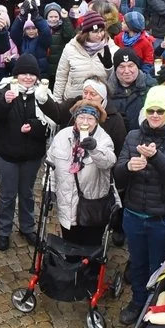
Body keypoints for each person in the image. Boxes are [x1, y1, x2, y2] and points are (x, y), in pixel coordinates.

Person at [115, 85, 165, 327]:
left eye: (159, 111)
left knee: (159, 266)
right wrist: (128, 167)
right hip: (134, 213)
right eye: (150, 110)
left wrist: (155, 157)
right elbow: (118, 173)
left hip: (162, 218)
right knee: (137, 262)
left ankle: (153, 306)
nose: (155, 115)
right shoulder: (133, 136)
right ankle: (137, 302)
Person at [0, 56, 60, 251]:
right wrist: (5, 102)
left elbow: (52, 122)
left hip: (32, 155)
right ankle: (3, 231)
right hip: (6, 153)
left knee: (27, 193)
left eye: (32, 74)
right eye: (23, 73)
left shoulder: (43, 94)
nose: (27, 77)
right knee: (8, 194)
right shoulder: (5, 90)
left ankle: (27, 228)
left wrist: (35, 128)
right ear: (16, 75)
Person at [48, 102, 118, 247]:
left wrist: (94, 148)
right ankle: (71, 267)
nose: (85, 122)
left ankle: (90, 269)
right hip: (67, 205)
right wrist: (50, 188)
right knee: (70, 245)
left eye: (90, 118)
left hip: (92, 207)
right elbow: (50, 164)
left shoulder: (103, 139)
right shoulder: (62, 136)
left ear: (97, 120)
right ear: (75, 118)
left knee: (91, 247)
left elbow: (109, 162)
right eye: (81, 117)